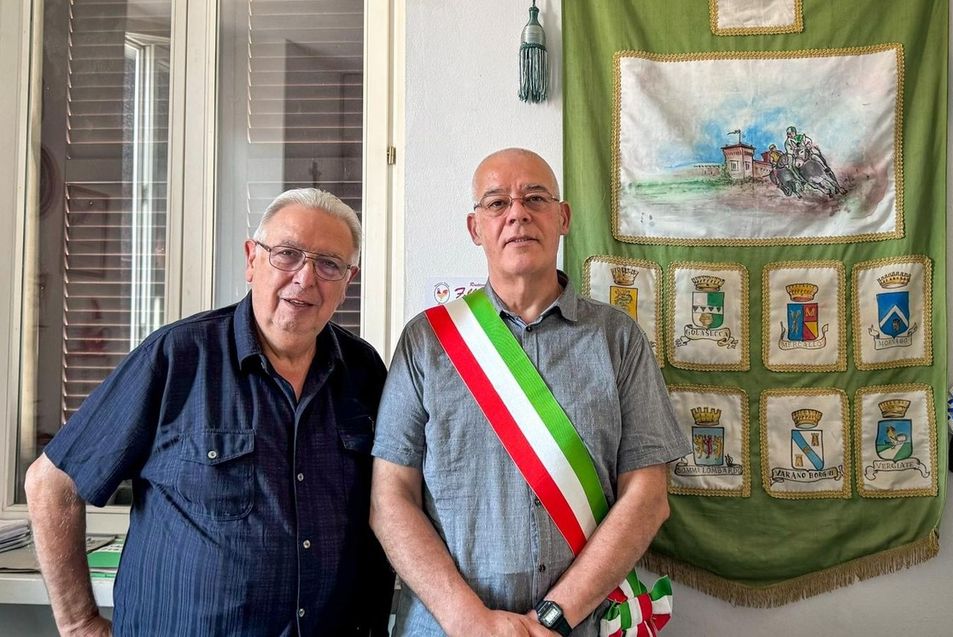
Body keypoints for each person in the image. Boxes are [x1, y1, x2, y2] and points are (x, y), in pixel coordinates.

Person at [25, 188, 393, 636]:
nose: (305, 278)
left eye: (329, 264)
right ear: (252, 260)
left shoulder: (364, 372)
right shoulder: (177, 358)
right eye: (287, 254)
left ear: (348, 281)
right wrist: (79, 623)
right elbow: (53, 483)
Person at [370, 148, 686, 636]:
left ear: (563, 218)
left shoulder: (618, 339)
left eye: (535, 198)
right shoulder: (428, 341)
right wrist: (471, 622)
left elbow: (647, 496)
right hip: (447, 626)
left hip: (581, 623)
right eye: (497, 203)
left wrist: (554, 616)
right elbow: (390, 497)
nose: (517, 213)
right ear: (475, 227)